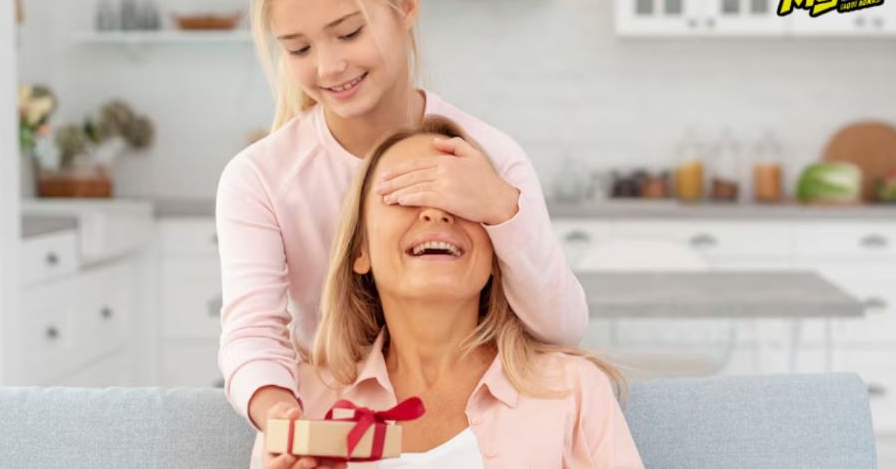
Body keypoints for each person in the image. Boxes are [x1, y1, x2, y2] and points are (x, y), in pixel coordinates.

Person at [216, 0, 589, 467]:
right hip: (332, 420)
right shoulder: (260, 178)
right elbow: (251, 332)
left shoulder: (487, 155)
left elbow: (562, 327)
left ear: (405, 5)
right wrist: (281, 416)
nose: (328, 67)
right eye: (298, 48)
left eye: (348, 33)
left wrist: (501, 207)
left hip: (465, 417)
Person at [252, 117, 643, 468]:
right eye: (403, 194)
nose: (435, 213)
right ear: (361, 251)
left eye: (461, 196)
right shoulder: (300, 405)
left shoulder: (571, 391)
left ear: (495, 252)